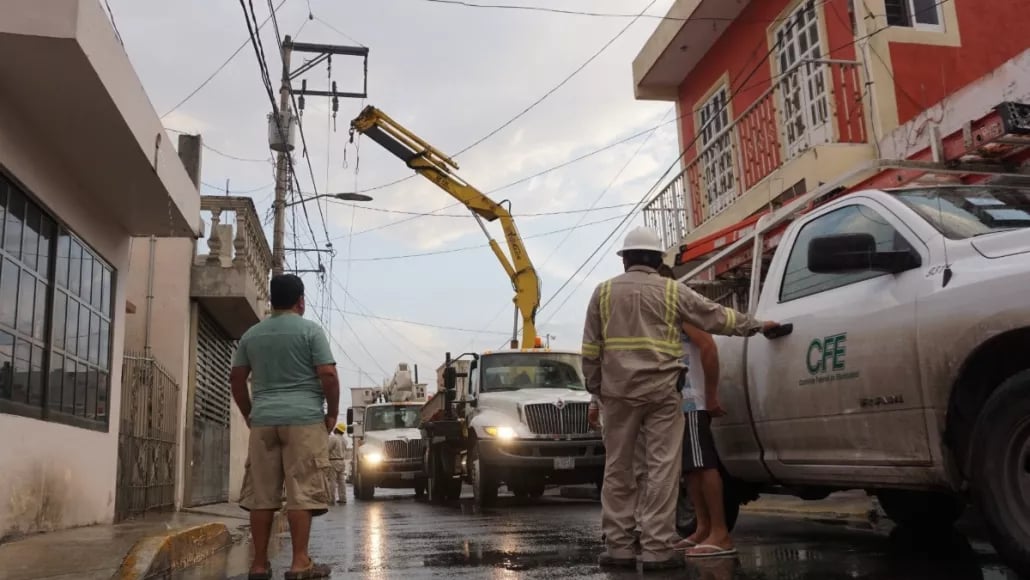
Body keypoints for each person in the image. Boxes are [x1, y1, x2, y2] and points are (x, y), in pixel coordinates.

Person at [582, 226, 779, 571]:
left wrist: (597, 389)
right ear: (658, 259)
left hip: (617, 394)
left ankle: (619, 548)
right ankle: (658, 549)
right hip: (661, 393)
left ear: (626, 259)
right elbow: (716, 317)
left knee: (618, 469)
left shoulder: (603, 292)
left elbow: (590, 349)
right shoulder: (672, 291)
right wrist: (757, 325)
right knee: (662, 469)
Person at [230, 274, 339, 580]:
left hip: (264, 421)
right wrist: (330, 414)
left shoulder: (252, 334)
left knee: (261, 495)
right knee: (301, 492)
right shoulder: (310, 331)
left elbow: (237, 379)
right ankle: (299, 562)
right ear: (300, 300)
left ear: (270, 301)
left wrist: (251, 414)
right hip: (304, 421)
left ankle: (260, 564)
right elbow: (328, 375)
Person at [327, 424, 348, 505]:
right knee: (341, 482)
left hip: (333, 461)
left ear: (337, 429)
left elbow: (327, 449)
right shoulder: (344, 440)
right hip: (342, 461)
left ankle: (331, 499)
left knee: (332, 481)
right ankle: (343, 498)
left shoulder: (333, 438)